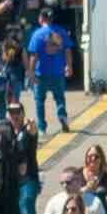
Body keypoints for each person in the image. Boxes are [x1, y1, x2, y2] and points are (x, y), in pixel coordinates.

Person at [25, 7, 75, 135]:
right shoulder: (61, 32)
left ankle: (42, 128)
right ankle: (62, 116)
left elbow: (34, 56)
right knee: (59, 98)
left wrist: (31, 72)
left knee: (40, 101)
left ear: (41, 18)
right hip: (58, 72)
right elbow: (68, 51)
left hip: (41, 73)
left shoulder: (37, 34)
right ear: (51, 18)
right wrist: (69, 66)